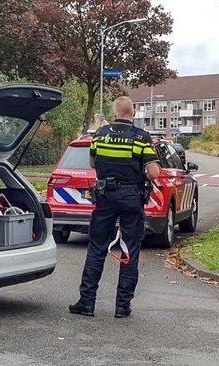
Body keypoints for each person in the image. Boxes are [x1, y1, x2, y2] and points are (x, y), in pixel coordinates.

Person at [69, 96, 160, 318]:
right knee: (130, 250)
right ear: (134, 113)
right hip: (132, 197)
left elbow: (92, 163)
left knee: (97, 248)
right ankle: (122, 306)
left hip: (105, 197)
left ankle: (87, 302)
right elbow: (154, 173)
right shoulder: (141, 138)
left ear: (114, 113)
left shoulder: (100, 135)